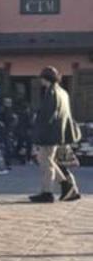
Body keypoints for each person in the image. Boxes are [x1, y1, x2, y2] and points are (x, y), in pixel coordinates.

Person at [29, 66, 81, 204]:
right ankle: (55, 189)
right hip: (58, 132)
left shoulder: (51, 92)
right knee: (47, 161)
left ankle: (55, 189)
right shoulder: (63, 92)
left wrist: (38, 133)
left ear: (45, 78)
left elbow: (47, 116)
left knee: (46, 161)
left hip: (50, 133)